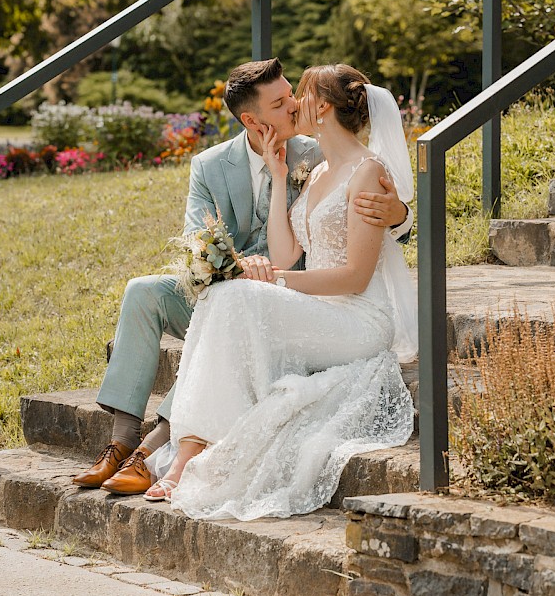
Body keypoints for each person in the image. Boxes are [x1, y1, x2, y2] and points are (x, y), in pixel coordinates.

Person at [72, 58, 413, 494]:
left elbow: (367, 248)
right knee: (161, 293)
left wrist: (399, 213)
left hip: (317, 303)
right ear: (252, 120)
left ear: (323, 107)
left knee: (231, 307)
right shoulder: (225, 165)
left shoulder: (320, 154)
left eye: (295, 95)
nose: (293, 105)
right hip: (255, 291)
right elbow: (202, 242)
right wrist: (276, 182)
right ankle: (125, 442)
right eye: (281, 102)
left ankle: (163, 450)